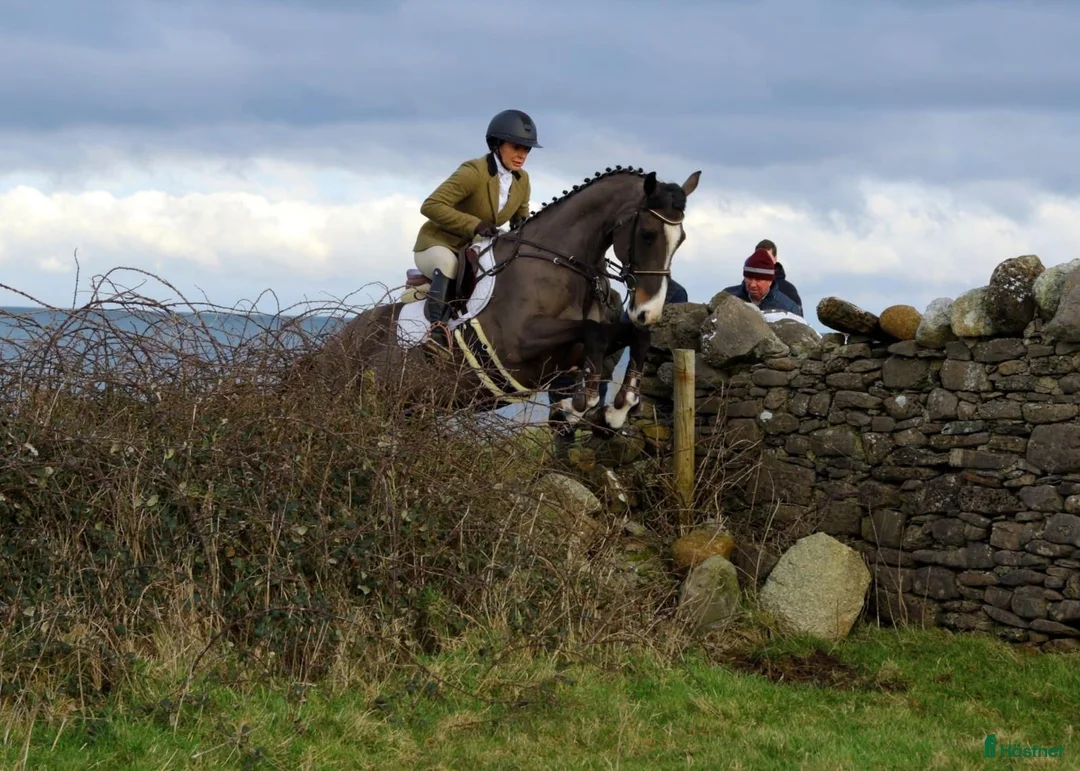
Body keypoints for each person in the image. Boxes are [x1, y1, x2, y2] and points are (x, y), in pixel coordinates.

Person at [411, 109, 540, 348]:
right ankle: (436, 332)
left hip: (474, 251)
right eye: (516, 147)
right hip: (437, 244)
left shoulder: (523, 181)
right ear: (498, 144)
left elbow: (520, 223)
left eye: (526, 149)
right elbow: (431, 205)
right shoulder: (473, 172)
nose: (522, 155)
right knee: (449, 264)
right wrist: (475, 225)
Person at [723, 248, 803, 316]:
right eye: (749, 278)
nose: (753, 285)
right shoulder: (726, 297)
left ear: (770, 281)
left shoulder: (789, 308)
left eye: (758, 280)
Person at [754, 238, 802, 308]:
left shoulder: (788, 290)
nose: (763, 261)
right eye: (759, 257)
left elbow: (798, 317)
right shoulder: (743, 290)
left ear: (775, 259)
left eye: (768, 258)